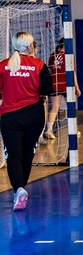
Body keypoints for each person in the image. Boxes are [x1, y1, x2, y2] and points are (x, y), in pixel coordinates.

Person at [0, 32, 53, 211]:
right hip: (34, 115)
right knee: (27, 153)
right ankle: (20, 189)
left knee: (13, 155)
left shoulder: (3, 66)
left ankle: (18, 190)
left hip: (10, 116)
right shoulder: (39, 65)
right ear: (30, 46)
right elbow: (48, 90)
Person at [44, 42, 81, 140]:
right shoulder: (68, 56)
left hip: (54, 84)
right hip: (66, 85)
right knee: (71, 107)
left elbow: (51, 70)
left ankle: (49, 129)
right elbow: (72, 72)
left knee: (54, 108)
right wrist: (76, 87)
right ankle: (73, 130)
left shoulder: (52, 55)